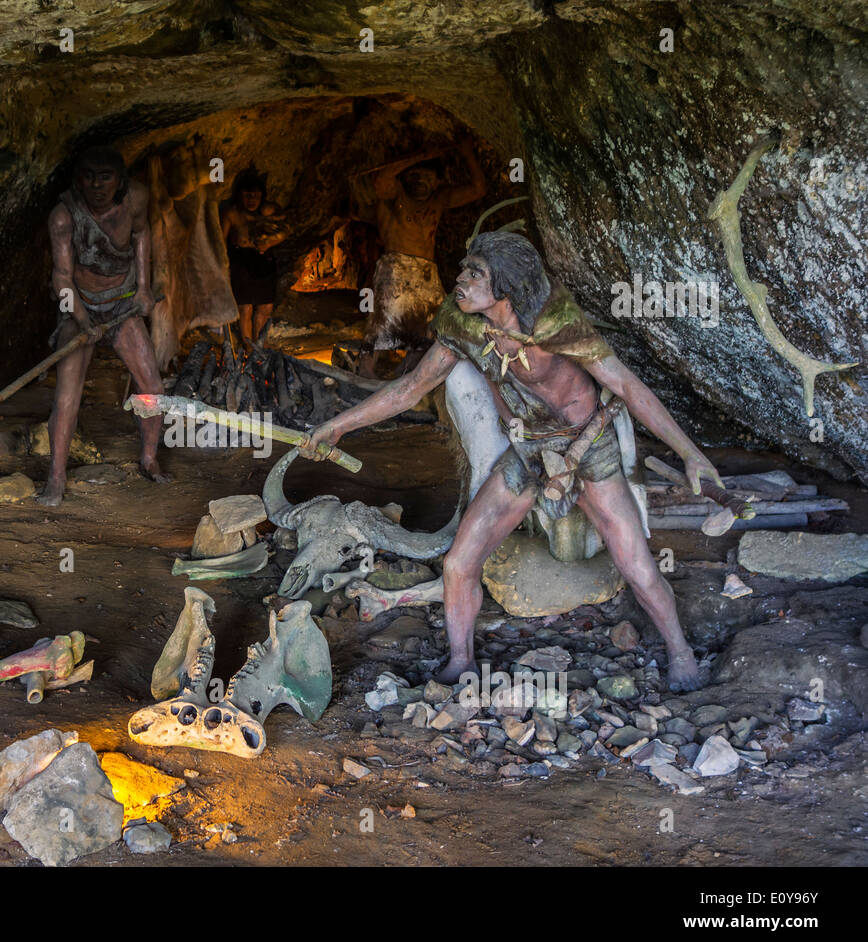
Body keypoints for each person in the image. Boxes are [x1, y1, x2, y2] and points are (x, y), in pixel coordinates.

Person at [302, 231, 718, 692]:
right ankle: (461, 661)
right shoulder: (463, 323)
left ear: (506, 288)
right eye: (464, 269)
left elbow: (628, 387)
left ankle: (681, 653)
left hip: (586, 449)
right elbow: (409, 389)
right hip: (527, 452)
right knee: (459, 562)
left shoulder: (555, 319)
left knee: (636, 565)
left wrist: (691, 454)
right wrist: (338, 425)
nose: (459, 280)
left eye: (474, 273)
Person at [38, 146, 171, 507]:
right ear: (77, 180)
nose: (96, 185)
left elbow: (142, 235)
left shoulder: (136, 199)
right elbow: (61, 278)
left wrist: (142, 288)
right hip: (79, 307)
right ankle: (56, 476)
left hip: (122, 304)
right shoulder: (64, 216)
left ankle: (148, 458)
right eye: (88, 176)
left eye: (105, 177)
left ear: (121, 180)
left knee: (153, 387)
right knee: (66, 398)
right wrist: (82, 320)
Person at [353, 139, 486, 377]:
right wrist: (420, 155)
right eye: (415, 176)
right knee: (384, 322)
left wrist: (467, 153)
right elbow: (381, 180)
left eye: (427, 177)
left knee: (433, 325)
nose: (421, 181)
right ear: (405, 178)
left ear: (437, 181)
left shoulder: (439, 199)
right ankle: (365, 373)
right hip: (396, 268)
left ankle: (407, 375)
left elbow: (478, 189)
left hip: (427, 271)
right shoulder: (395, 195)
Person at [221, 167, 285, 349]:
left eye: (255, 196)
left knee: (265, 308)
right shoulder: (232, 214)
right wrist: (223, 266)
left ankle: (260, 346)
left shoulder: (267, 211)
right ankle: (249, 348)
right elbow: (220, 241)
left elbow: (285, 225)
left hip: (264, 262)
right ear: (239, 195)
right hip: (241, 262)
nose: (251, 200)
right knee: (245, 308)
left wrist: (270, 240)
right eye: (247, 196)